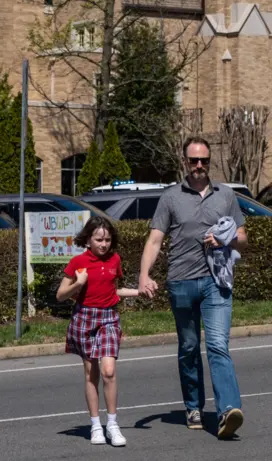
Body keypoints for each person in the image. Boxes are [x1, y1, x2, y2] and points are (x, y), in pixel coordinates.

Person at [138, 136, 248, 439]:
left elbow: (243, 237)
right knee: (188, 348)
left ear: (209, 162)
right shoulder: (171, 197)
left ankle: (228, 410)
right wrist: (143, 275)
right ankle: (193, 406)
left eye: (204, 161)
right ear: (185, 162)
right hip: (181, 282)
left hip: (217, 283)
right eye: (193, 161)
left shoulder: (225, 195)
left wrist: (226, 239)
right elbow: (155, 240)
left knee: (217, 345)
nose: (199, 166)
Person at [56, 216, 139, 447]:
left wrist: (139, 291)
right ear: (88, 239)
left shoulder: (115, 259)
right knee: (91, 374)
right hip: (84, 318)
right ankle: (96, 425)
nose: (103, 244)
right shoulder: (78, 262)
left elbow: (115, 289)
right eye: (99, 239)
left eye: (107, 240)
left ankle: (112, 425)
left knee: (109, 371)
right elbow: (61, 295)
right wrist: (78, 284)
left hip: (109, 318)